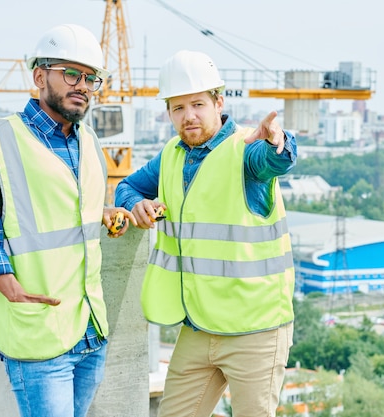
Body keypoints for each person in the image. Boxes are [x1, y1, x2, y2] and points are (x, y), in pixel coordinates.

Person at [0, 23, 135, 417]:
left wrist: (102, 214)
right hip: (39, 332)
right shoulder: (0, 142)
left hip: (90, 328)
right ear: (40, 76)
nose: (83, 85)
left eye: (92, 78)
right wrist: (12, 290)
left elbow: (60, 208)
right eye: (71, 73)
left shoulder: (90, 142)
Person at [115, 50, 297, 417]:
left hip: (255, 330)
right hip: (198, 326)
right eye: (178, 108)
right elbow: (127, 186)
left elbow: (275, 159)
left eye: (198, 104)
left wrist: (280, 143)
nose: (189, 116)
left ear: (218, 101)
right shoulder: (171, 155)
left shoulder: (246, 151)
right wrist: (136, 204)